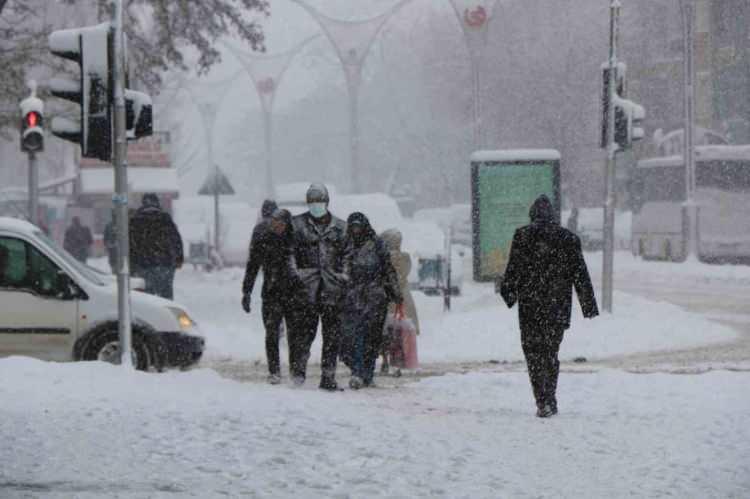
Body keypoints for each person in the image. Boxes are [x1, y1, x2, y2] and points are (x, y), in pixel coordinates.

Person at [500, 194, 599, 418]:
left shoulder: (522, 236)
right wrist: (588, 306)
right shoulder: (568, 239)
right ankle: (550, 397)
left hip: (530, 307)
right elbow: (580, 274)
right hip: (557, 307)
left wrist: (508, 293)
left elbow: (513, 269)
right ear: (553, 216)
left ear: (533, 215)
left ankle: (541, 399)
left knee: (533, 354)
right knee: (550, 353)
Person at [286, 183, 350, 391]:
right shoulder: (296, 225)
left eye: (319, 201)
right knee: (303, 334)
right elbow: (289, 254)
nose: (316, 205)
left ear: (327, 202)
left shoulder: (341, 227)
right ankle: (298, 373)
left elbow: (348, 255)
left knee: (332, 336)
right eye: (312, 201)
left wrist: (344, 276)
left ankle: (328, 376)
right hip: (306, 290)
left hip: (333, 290)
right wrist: (297, 276)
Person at [341, 214, 403, 389]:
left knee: (372, 338)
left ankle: (366, 373)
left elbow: (388, 270)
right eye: (352, 227)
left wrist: (396, 293)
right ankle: (357, 371)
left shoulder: (377, 245)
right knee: (354, 337)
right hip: (353, 298)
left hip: (375, 298)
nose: (355, 230)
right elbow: (341, 270)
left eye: (358, 226)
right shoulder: (346, 244)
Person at [241, 208, 298, 385]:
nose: (276, 227)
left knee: (295, 334)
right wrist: (247, 292)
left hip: (294, 294)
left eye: (280, 224)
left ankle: (296, 371)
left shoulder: (296, 241)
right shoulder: (263, 240)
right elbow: (252, 267)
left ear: (287, 225)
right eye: (274, 223)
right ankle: (274, 371)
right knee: (271, 332)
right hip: (271, 293)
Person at [380, 228, 420, 375]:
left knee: (387, 332)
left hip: (388, 298)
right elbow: (402, 275)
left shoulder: (382, 257)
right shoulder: (404, 258)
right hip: (401, 297)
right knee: (398, 333)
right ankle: (396, 361)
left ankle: (386, 359)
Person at [129, 193, 184, 299]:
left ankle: (149, 313)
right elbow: (176, 239)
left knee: (147, 297)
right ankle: (166, 313)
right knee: (166, 293)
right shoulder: (165, 218)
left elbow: (131, 244)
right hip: (165, 264)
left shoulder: (135, 220)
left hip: (144, 265)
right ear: (157, 202)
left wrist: (133, 264)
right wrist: (179, 259)